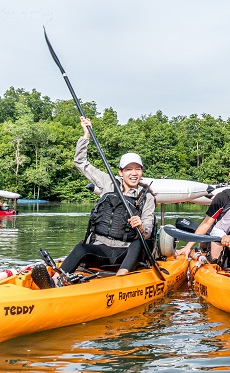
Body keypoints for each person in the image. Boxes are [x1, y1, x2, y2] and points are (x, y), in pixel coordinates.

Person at [52, 117, 155, 281]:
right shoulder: (108, 183)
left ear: (142, 171)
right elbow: (80, 162)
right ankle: (56, 280)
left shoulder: (146, 196)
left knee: (139, 243)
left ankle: (120, 280)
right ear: (120, 172)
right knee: (80, 248)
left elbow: (148, 230)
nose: (133, 173)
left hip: (127, 252)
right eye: (129, 169)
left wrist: (141, 228)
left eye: (137, 169)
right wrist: (86, 135)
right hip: (102, 249)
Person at [176, 156, 230, 259]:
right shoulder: (222, 197)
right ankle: (212, 258)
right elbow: (206, 223)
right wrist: (188, 246)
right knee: (216, 240)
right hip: (223, 242)